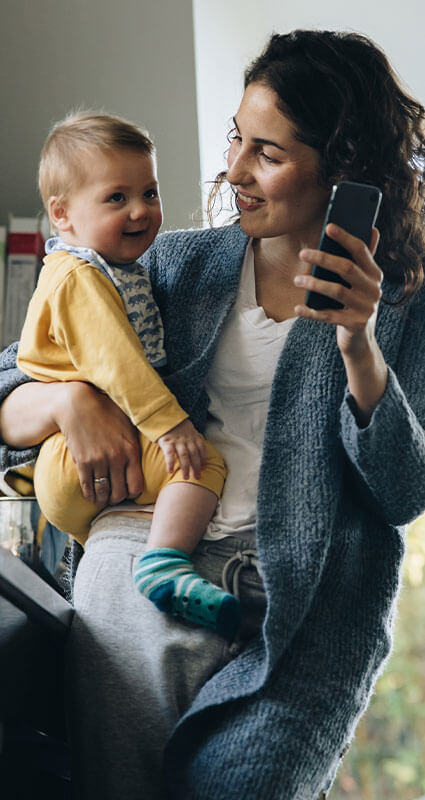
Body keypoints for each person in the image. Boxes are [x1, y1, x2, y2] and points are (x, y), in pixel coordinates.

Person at [1, 28, 425, 800]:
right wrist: (70, 399)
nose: (232, 171)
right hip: (144, 559)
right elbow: (12, 381)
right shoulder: (170, 264)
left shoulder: (400, 306)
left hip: (303, 604)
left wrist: (358, 346)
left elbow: (400, 492)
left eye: (267, 153)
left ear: (343, 168)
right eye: (237, 137)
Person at [16, 111, 239, 639]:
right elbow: (117, 361)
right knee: (202, 463)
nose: (141, 211)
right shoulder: (77, 277)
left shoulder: (115, 269)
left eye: (150, 192)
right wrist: (169, 424)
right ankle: (164, 562)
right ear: (62, 215)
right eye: (117, 198)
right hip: (75, 454)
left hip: (87, 454)